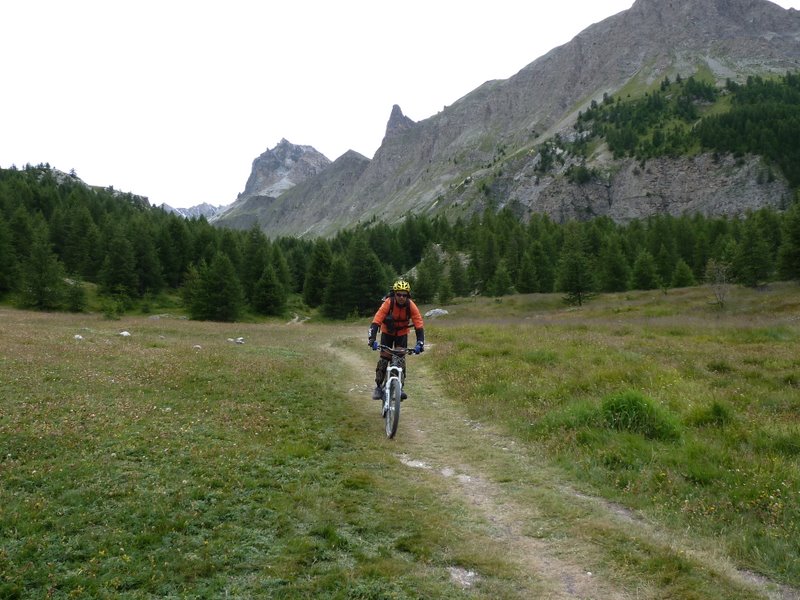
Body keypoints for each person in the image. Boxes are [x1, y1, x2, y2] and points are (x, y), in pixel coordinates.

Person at [367, 279, 425, 400]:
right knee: (384, 359)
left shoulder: (410, 305)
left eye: (404, 295)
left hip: (402, 334)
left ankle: (400, 387)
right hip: (387, 332)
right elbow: (376, 321)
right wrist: (371, 339)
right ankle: (378, 387)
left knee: (399, 360)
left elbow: (419, 324)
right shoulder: (388, 302)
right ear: (395, 294)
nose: (401, 297)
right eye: (399, 294)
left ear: (407, 295)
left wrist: (420, 342)